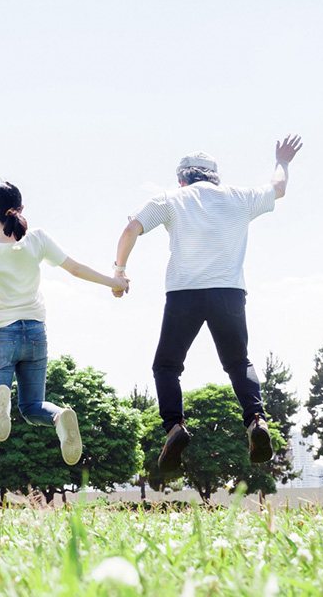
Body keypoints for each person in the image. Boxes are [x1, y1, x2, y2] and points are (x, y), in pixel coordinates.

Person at [114, 135, 303, 475]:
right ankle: (255, 420)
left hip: (184, 293)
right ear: (214, 176)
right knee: (238, 362)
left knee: (167, 367)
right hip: (228, 292)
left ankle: (174, 428)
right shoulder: (240, 197)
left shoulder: (170, 198)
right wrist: (283, 160)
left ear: (182, 177)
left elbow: (131, 228)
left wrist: (120, 272)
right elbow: (278, 187)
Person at [0, 182, 128, 466]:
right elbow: (75, 269)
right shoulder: (38, 239)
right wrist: (113, 281)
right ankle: (58, 417)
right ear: (21, 209)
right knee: (32, 406)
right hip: (35, 335)